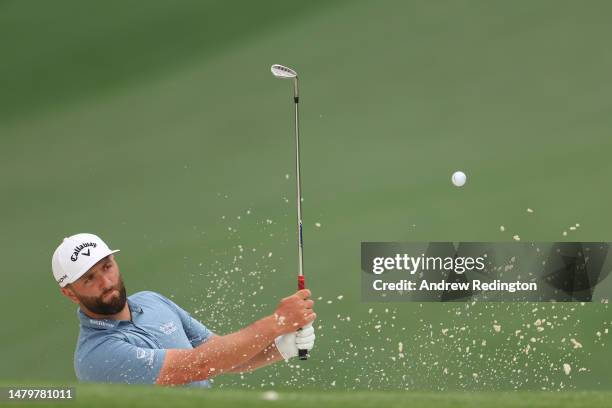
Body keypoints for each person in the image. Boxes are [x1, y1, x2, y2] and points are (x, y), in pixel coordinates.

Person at [51, 233, 316, 386]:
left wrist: (281, 348)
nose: (106, 283)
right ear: (69, 293)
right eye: (89, 278)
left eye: (107, 267)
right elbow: (199, 365)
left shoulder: (152, 302)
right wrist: (277, 322)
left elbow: (220, 355)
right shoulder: (97, 354)